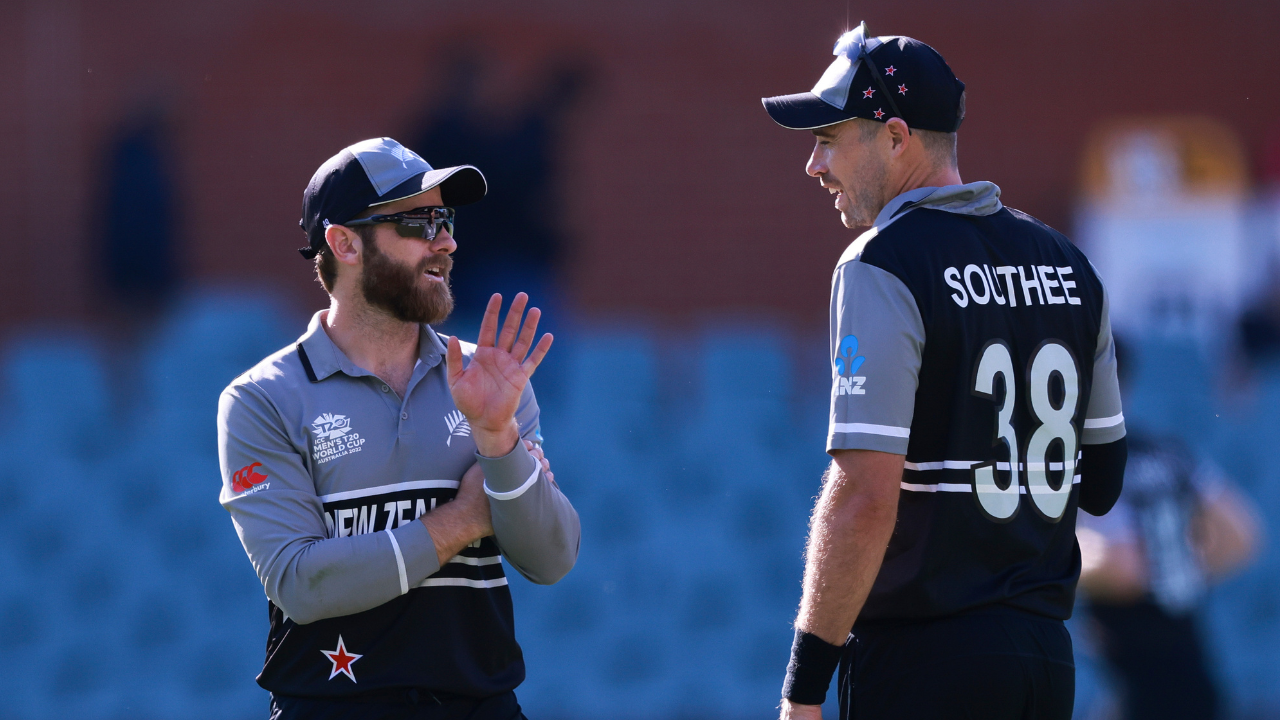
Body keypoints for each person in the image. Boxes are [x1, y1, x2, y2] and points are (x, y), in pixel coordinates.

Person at [761, 23, 1128, 719]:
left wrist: (803, 692)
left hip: (924, 665)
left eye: (828, 138)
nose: (813, 165)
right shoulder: (1070, 265)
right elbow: (1103, 484)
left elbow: (864, 497)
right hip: (1045, 663)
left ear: (895, 137)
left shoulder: (883, 261)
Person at [217, 137, 580, 720]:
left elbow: (553, 558)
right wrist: (460, 521)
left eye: (445, 219)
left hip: (482, 706)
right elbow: (300, 584)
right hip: (331, 707)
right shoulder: (262, 398)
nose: (446, 241)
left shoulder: (488, 379)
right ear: (343, 243)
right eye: (417, 223)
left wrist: (496, 436)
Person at [1076, 339, 1261, 720]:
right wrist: (1177, 571)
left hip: (1134, 663)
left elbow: (1123, 567)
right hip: (1186, 659)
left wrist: (1051, 571)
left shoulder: (1089, 460)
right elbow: (1241, 535)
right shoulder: (1167, 452)